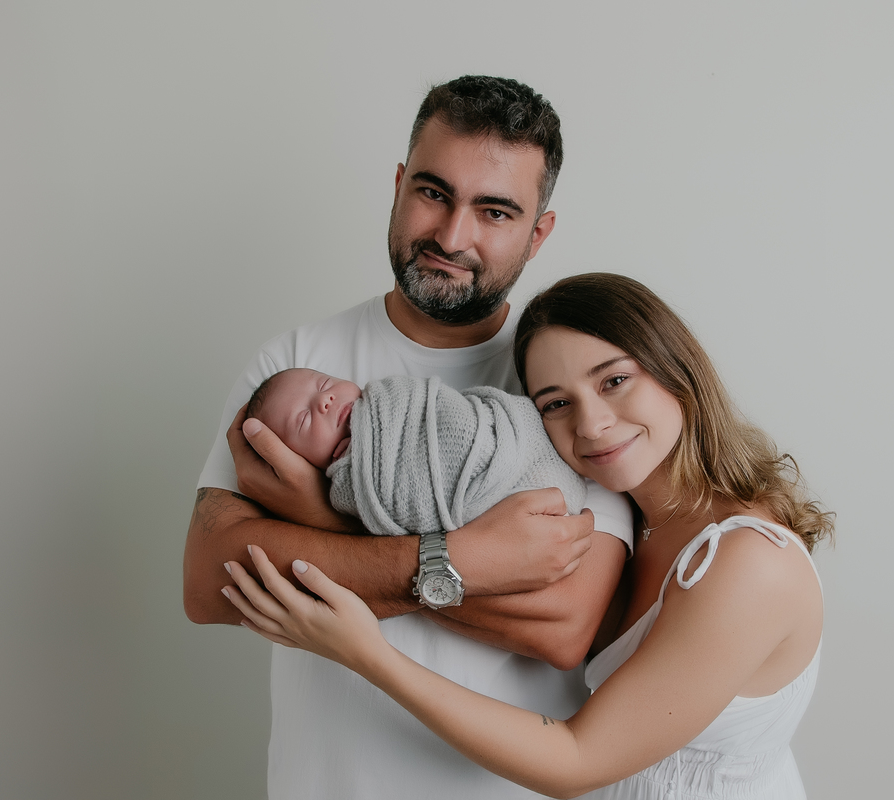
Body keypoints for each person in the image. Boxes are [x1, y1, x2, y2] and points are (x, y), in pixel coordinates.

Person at [183, 77, 633, 799]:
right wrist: (463, 561)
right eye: (433, 193)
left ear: (538, 232)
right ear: (398, 186)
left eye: (494, 211)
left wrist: (319, 522)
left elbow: (562, 624)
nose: (453, 236)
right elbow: (211, 580)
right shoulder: (295, 364)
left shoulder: (568, 379)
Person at [223, 273, 835, 799]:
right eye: (554, 403)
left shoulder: (749, 564)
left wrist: (366, 653)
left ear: (677, 370)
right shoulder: (636, 516)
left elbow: (576, 761)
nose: (591, 424)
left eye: (614, 380)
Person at [244, 367, 586, 536]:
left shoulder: (393, 400)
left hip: (511, 443)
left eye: (324, 383)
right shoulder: (350, 487)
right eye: (304, 420)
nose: (325, 400)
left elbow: (450, 416)